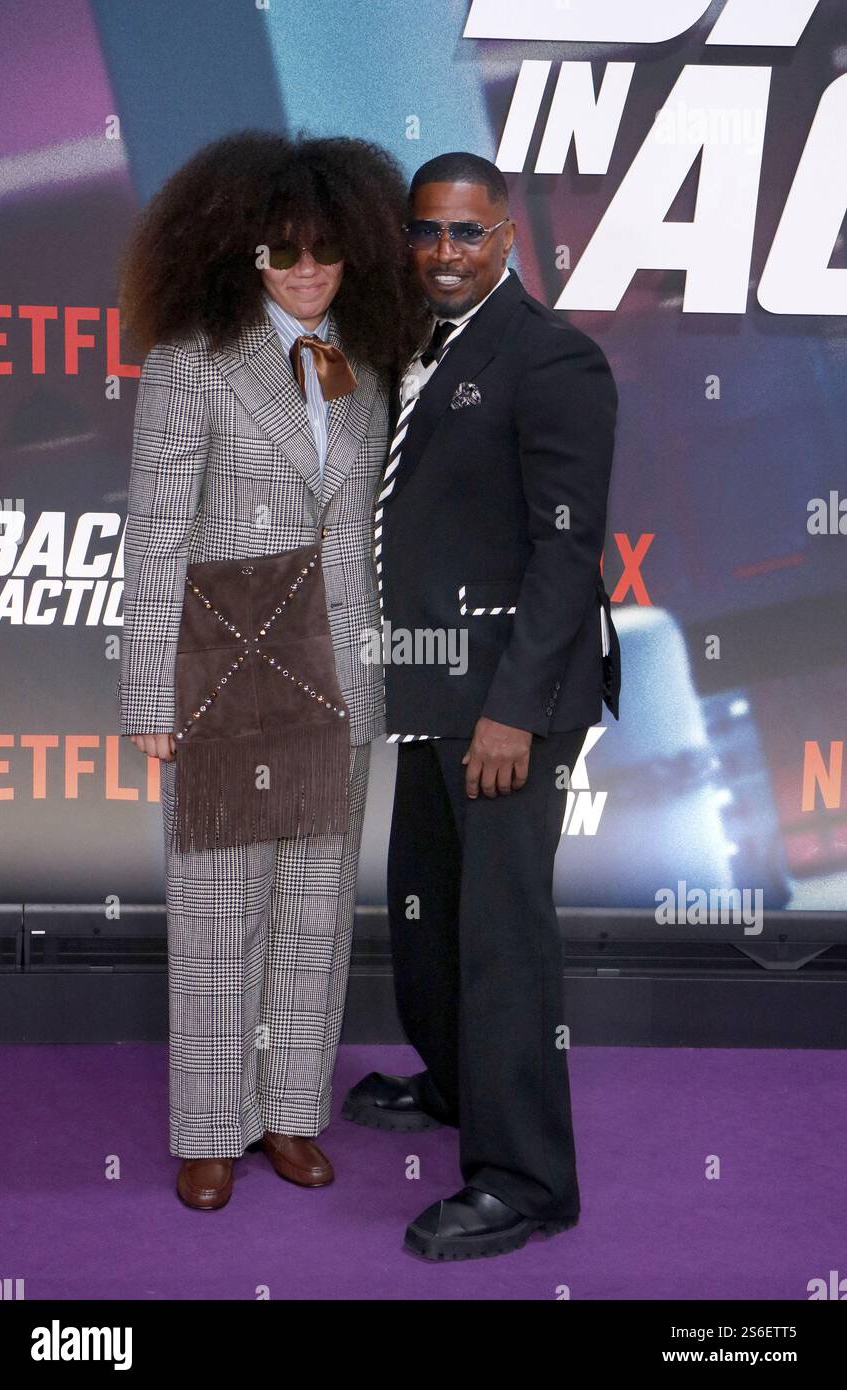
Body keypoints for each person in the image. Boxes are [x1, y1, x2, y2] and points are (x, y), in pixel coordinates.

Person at [117, 130, 428, 1210]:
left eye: (325, 251)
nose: (304, 271)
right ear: (241, 252)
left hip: (336, 671)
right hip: (226, 668)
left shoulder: (370, 360)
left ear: (356, 256)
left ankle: (290, 1113)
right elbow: (155, 535)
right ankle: (210, 1126)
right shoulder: (189, 363)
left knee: (314, 907)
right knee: (215, 908)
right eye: (282, 250)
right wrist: (150, 692)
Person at [343, 152, 622, 1260]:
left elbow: (565, 552)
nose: (443, 254)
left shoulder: (551, 358)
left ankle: (525, 1179)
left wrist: (508, 713)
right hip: (430, 690)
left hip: (510, 702)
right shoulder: (421, 350)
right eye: (425, 233)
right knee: (428, 917)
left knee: (503, 941)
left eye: (465, 233)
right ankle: (460, 1085)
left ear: (505, 236)